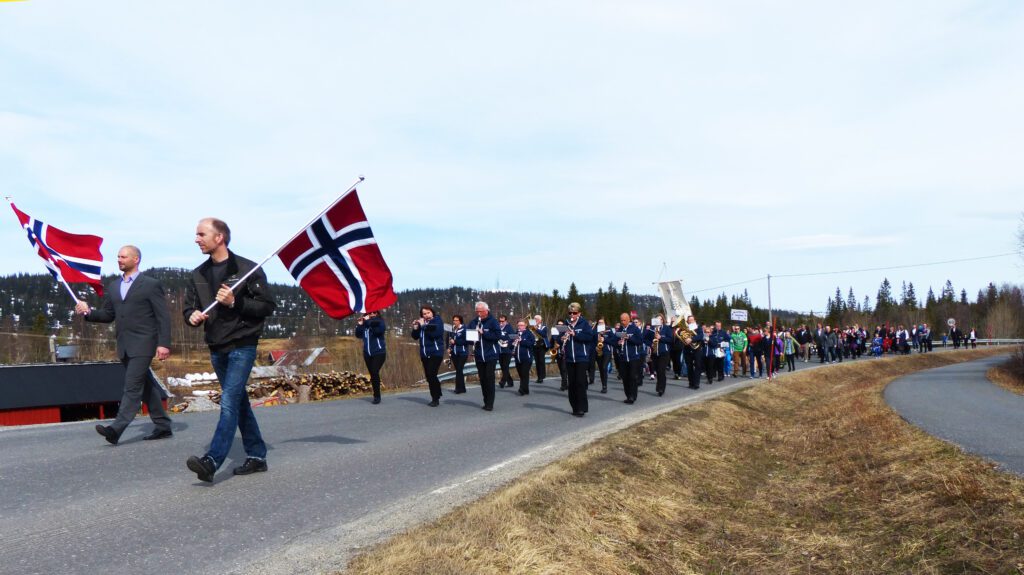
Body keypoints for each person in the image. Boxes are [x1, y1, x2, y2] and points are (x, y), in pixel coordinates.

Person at [184, 218, 277, 483]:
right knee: (238, 402)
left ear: (219, 237)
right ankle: (257, 455)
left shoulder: (247, 269)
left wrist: (235, 302)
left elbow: (267, 306)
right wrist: (191, 316)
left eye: (201, 234)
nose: (197, 239)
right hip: (216, 345)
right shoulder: (198, 274)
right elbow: (188, 308)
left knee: (228, 401)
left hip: (242, 344)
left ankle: (212, 461)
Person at [76, 245, 172, 445]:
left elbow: (163, 317)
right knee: (144, 386)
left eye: (123, 256)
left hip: (144, 343)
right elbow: (108, 315)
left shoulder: (150, 284)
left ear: (136, 259)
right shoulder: (113, 286)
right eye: (118, 256)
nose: (119, 259)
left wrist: (163, 343)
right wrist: (88, 312)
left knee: (132, 386)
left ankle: (116, 429)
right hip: (124, 345)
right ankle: (162, 426)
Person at [468, 301, 502, 411]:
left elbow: (498, 336)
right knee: (482, 379)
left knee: (489, 378)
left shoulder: (493, 322)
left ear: (486, 311)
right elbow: (468, 338)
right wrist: (471, 336)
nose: (478, 313)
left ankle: (490, 403)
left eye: (481, 311)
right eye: (477, 311)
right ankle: (485, 400)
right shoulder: (473, 322)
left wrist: (484, 333)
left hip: (490, 355)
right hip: (478, 355)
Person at [561, 302, 594, 416]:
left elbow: (590, 337)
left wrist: (576, 335)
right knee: (572, 384)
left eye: (574, 313)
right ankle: (575, 407)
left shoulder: (584, 324)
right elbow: (558, 339)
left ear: (579, 313)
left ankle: (581, 407)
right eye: (570, 313)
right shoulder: (566, 324)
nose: (572, 315)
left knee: (580, 383)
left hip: (581, 358)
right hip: (569, 358)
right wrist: (562, 338)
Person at [411, 306, 445, 406]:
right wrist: (416, 327)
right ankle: (437, 393)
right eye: (424, 314)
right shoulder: (423, 324)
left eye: (428, 313)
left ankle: (435, 398)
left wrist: (424, 326)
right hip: (424, 354)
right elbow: (415, 337)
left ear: (432, 313)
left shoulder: (437, 321)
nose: (426, 315)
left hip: (436, 352)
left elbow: (435, 334)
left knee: (431, 373)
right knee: (429, 376)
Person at [355, 311, 386, 404]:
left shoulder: (380, 322)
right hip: (367, 354)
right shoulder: (365, 324)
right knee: (373, 374)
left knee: (374, 371)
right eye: (369, 313)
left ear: (377, 313)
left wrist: (368, 322)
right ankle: (376, 394)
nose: (372, 314)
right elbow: (358, 335)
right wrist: (360, 325)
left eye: (374, 313)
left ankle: (377, 396)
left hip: (379, 352)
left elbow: (378, 332)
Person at [616, 312, 644, 402]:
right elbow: (614, 341)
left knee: (632, 377)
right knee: (625, 377)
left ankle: (632, 396)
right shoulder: (619, 330)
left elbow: (640, 341)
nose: (622, 322)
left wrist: (629, 338)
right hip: (623, 357)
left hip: (633, 357)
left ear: (628, 320)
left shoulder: (634, 329)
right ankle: (628, 396)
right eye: (621, 320)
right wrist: (618, 343)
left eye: (624, 320)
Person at [651, 313, 674, 396]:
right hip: (655, 352)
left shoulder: (667, 328)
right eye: (657, 319)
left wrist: (661, 338)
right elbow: (646, 339)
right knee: (657, 371)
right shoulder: (652, 329)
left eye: (660, 319)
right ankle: (659, 386)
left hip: (664, 352)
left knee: (661, 370)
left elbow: (671, 339)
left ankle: (661, 388)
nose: (658, 320)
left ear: (662, 320)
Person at [680, 314, 704, 389]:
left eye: (692, 320)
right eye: (689, 320)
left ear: (694, 321)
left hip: (697, 349)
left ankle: (696, 383)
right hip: (687, 349)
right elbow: (681, 336)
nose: (690, 321)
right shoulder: (684, 329)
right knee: (689, 367)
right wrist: (684, 339)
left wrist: (691, 339)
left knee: (698, 366)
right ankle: (691, 383)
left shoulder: (698, 328)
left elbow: (700, 336)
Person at [512, 319, 536, 396]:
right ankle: (526, 389)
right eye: (518, 325)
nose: (519, 327)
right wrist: (511, 343)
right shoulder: (515, 333)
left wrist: (521, 341)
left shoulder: (529, 334)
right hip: (517, 358)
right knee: (521, 374)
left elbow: (531, 344)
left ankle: (522, 389)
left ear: (525, 325)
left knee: (524, 373)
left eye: (521, 325)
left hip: (527, 357)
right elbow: (511, 344)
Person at [448, 314, 469, 394]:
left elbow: (467, 341)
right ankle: (462, 388)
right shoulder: (452, 329)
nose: (455, 322)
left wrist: (456, 342)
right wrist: (449, 348)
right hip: (454, 353)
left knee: (459, 369)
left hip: (462, 352)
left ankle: (458, 388)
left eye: (456, 320)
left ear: (460, 321)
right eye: (454, 320)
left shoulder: (464, 329)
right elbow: (449, 339)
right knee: (458, 370)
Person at [593, 318, 612, 394]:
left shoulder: (609, 331)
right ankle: (604, 385)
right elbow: (591, 340)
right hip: (598, 351)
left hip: (607, 352)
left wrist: (605, 339)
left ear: (605, 323)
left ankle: (605, 386)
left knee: (604, 367)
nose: (600, 324)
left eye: (602, 322)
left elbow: (613, 340)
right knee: (601, 369)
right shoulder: (595, 331)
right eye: (599, 322)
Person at [497, 315, 516, 388]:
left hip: (507, 350)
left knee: (505, 366)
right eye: (500, 321)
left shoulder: (509, 327)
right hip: (500, 350)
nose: (501, 323)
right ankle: (510, 382)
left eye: (502, 321)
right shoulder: (498, 328)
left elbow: (514, 337)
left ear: (506, 321)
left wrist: (507, 342)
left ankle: (503, 381)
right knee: (503, 367)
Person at [532, 315, 549, 383]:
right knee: (537, 362)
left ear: (540, 320)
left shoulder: (544, 327)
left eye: (536, 319)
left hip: (542, 345)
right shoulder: (532, 327)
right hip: (535, 345)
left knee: (541, 361)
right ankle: (539, 377)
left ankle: (542, 376)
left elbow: (543, 335)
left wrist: (537, 329)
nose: (535, 320)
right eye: (534, 319)